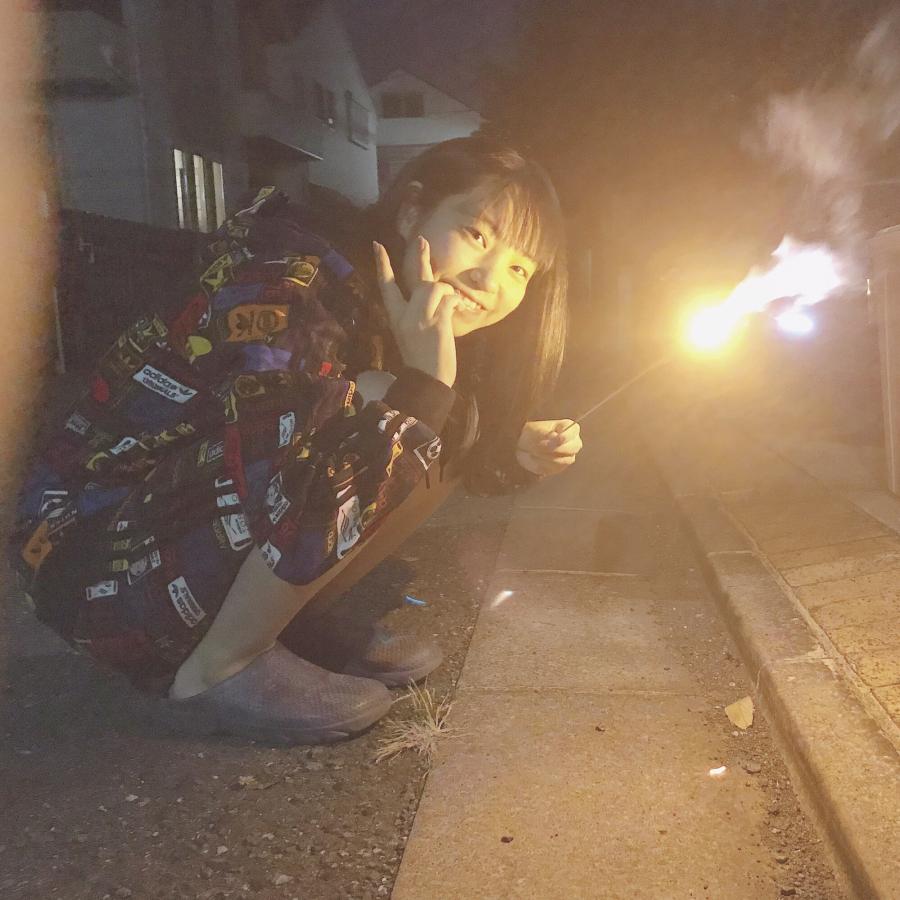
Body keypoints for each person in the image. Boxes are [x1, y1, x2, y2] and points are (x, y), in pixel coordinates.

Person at [11, 136, 583, 745]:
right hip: (96, 560)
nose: (489, 278)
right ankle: (218, 665)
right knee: (383, 403)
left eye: (519, 268)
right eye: (477, 235)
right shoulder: (293, 279)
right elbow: (270, 438)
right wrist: (424, 387)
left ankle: (279, 626)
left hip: (173, 538)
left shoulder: (386, 304)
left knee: (440, 416)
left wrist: (509, 448)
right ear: (413, 211)